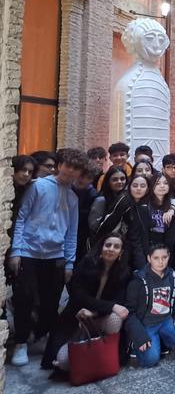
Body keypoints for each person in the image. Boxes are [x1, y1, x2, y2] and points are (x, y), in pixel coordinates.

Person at [9, 148, 87, 367]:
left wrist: (69, 262)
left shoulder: (72, 197)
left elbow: (71, 232)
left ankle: (41, 334)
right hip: (28, 252)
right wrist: (16, 251)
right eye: (68, 166)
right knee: (24, 298)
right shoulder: (38, 186)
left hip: (56, 256)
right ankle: (21, 342)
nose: (70, 171)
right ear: (60, 165)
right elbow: (21, 217)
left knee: (51, 301)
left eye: (76, 168)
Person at [41, 233, 130, 371]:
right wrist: (111, 306)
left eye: (116, 247)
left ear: (121, 252)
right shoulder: (87, 264)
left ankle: (102, 352)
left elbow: (119, 300)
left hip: (99, 319)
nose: (111, 249)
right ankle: (88, 356)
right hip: (77, 318)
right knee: (63, 361)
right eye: (108, 245)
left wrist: (95, 312)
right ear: (101, 247)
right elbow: (78, 296)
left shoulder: (124, 272)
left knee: (115, 319)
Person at [125, 243, 175, 368]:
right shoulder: (139, 279)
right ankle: (137, 345)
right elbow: (130, 313)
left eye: (164, 257)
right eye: (156, 258)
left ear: (169, 256)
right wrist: (139, 336)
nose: (161, 262)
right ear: (149, 258)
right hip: (146, 324)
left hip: (166, 320)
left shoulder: (171, 275)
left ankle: (162, 342)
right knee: (150, 360)